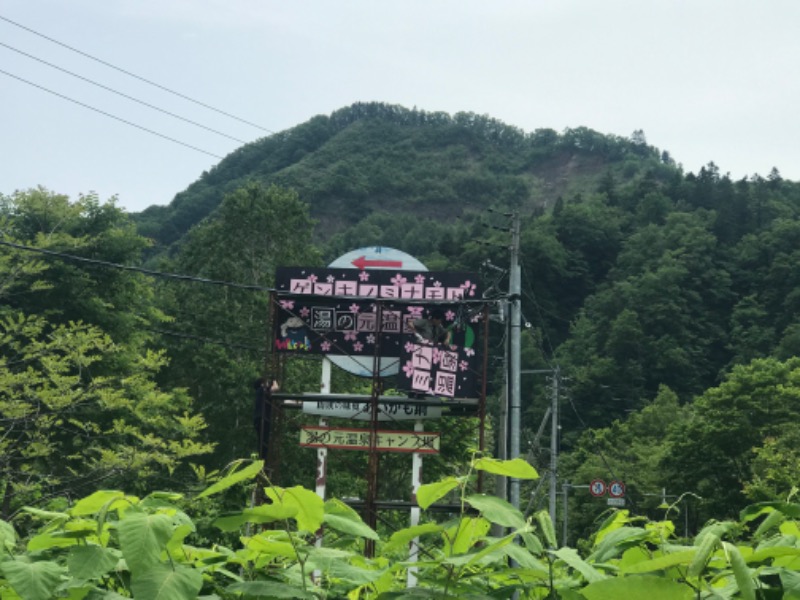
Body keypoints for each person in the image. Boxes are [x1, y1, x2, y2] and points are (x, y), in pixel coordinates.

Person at [253, 376, 279, 459]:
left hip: (258, 418)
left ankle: (262, 458)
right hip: (262, 418)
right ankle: (262, 459)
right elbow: (275, 388)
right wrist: (274, 380)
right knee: (264, 441)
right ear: (262, 384)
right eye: (267, 383)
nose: (268, 384)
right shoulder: (262, 390)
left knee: (262, 441)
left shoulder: (260, 393)